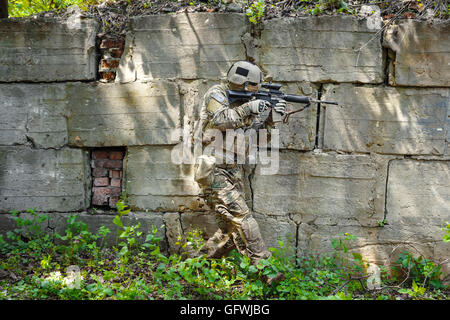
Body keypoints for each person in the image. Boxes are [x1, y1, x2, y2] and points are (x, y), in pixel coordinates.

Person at [193, 61, 286, 285]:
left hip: (233, 170)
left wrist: (272, 122)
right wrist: (249, 108)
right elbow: (220, 119)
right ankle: (265, 267)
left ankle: (194, 267)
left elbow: (256, 137)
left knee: (230, 231)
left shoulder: (246, 103)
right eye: (254, 85)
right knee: (244, 219)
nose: (256, 90)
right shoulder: (217, 93)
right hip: (214, 168)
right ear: (242, 82)